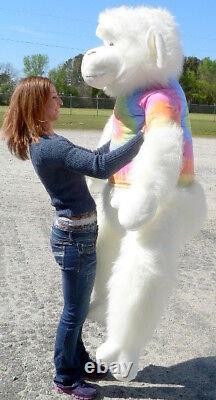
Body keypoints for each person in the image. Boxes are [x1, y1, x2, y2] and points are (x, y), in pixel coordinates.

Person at [2, 76, 144, 399]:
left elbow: (93, 154)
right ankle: (65, 376)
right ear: (38, 104)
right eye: (54, 97)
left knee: (75, 309)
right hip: (74, 239)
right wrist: (142, 139)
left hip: (75, 235)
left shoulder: (47, 141)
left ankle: (78, 362)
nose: (60, 101)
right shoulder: (50, 147)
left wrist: (120, 132)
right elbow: (98, 165)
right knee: (73, 312)